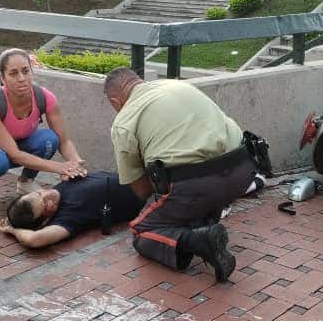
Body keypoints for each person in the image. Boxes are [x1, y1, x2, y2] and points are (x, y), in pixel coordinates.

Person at [104, 67, 270, 283]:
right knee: (193, 196)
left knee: (142, 232)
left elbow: (142, 190)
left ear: (115, 101)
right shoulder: (178, 85)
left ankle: (199, 241)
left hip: (198, 185)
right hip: (244, 169)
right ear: (139, 81)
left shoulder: (124, 121)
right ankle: (204, 220)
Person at [0, 48, 87, 207]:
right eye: (13, 73)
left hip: (16, 143)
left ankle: (26, 181)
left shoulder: (45, 97)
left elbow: (64, 141)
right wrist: (60, 168)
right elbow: (14, 154)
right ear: (3, 78)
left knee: (50, 139)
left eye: (26, 71)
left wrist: (76, 163)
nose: (22, 78)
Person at [0, 171, 144, 248]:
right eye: (45, 204)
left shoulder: (61, 187)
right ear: (45, 221)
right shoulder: (68, 217)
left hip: (134, 175)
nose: (47, 194)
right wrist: (12, 230)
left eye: (39, 193)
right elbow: (35, 239)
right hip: (144, 192)